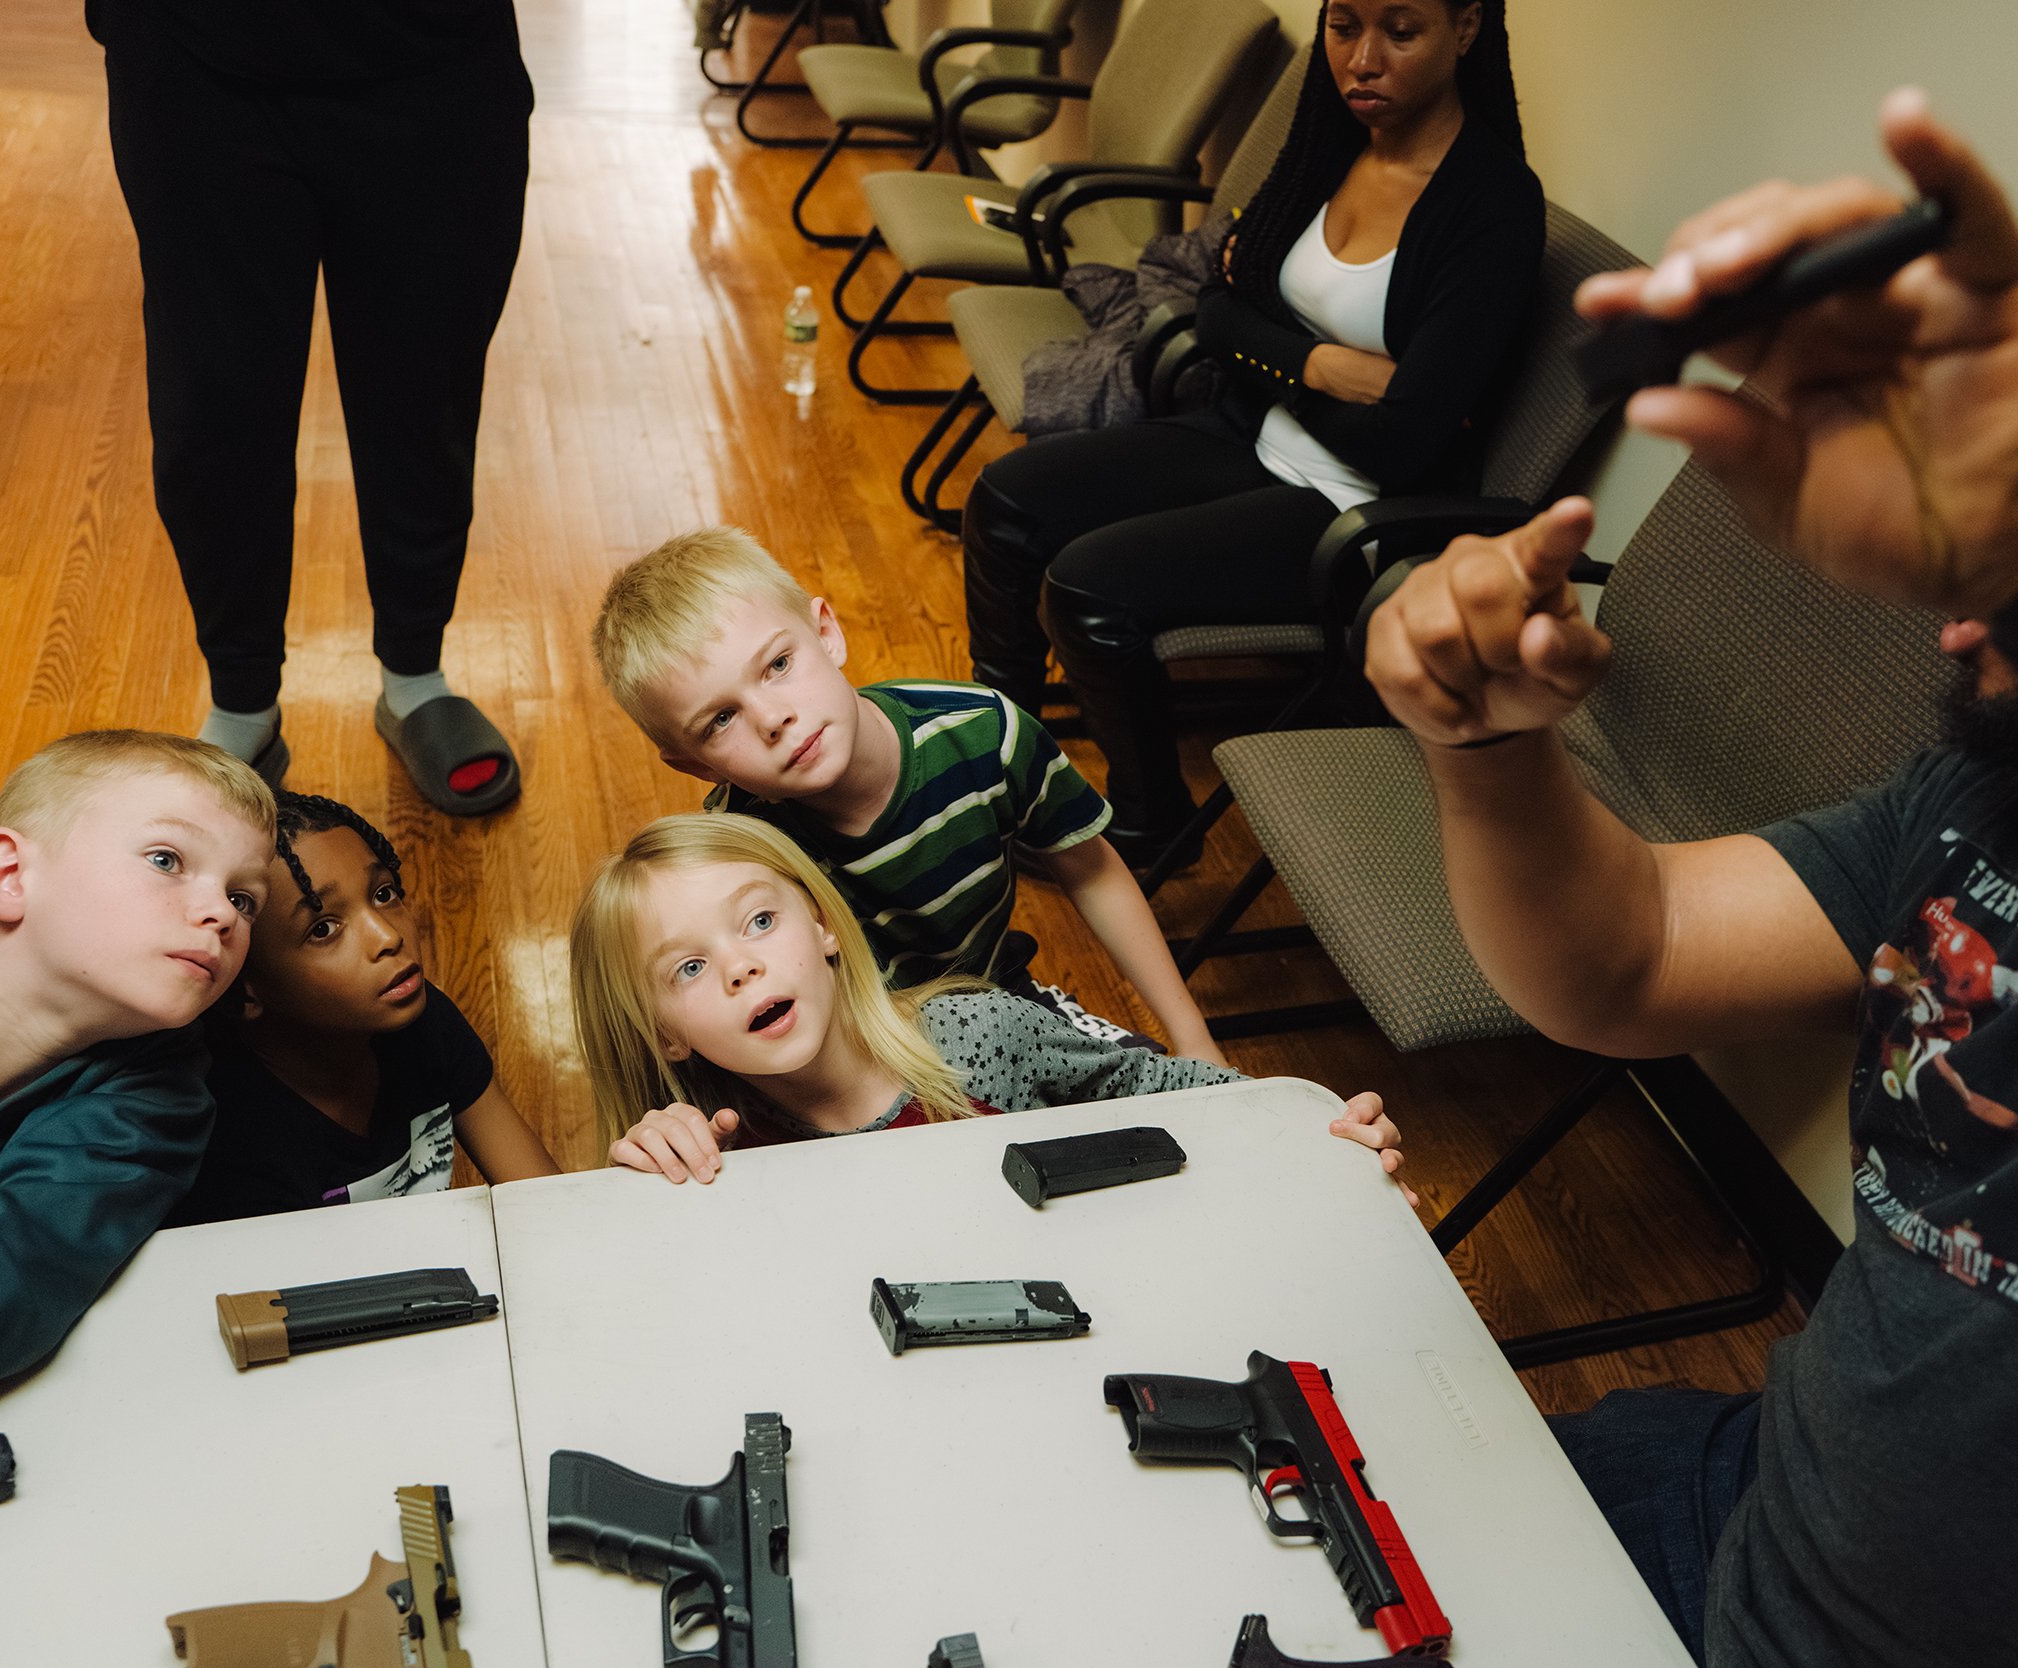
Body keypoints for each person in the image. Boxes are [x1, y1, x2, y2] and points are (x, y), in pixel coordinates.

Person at [1364, 97, 2018, 1663]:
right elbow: (1632, 958)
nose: (1964, 598)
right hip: (1749, 1511)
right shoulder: (2011, 783)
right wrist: (1487, 748)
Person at [958, 0, 1544, 861]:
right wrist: (1320, 366)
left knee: (1088, 589)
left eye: (1401, 31)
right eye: (1344, 26)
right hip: (1251, 432)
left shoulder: (1491, 204)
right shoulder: (1330, 141)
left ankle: (1150, 824)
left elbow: (1403, 442)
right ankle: (998, 754)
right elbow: (1218, 310)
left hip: (1354, 508)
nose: (1362, 61)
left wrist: (1269, 352)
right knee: (1006, 501)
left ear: (1465, 30)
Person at [87, 0, 532, 816]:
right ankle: (243, 706)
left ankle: (414, 678)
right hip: (196, 67)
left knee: (424, 395)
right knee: (213, 412)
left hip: (437, 64)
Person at [590, 527, 1225, 1063]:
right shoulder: (740, 851)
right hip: (853, 1056)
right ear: (694, 766)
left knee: (1161, 1098)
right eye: (720, 719)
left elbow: (1090, 871)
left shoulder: (986, 736)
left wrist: (1193, 1035)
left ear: (827, 634)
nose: (772, 718)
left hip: (1001, 1004)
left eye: (777, 664)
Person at [569, 813, 1408, 1189]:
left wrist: (1320, 1142)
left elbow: (1183, 1099)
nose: (740, 968)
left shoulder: (972, 1034)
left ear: (825, 928)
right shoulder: (712, 1158)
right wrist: (650, 1183)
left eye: (758, 920)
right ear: (664, 1037)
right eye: (687, 969)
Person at [0, 731, 275, 1389]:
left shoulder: (159, 1100)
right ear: (10, 875)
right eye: (166, 859)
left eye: (244, 898)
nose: (221, 914)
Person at [167, 793, 557, 1225]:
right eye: (324, 929)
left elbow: (545, 1204)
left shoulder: (426, 1023)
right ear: (245, 989)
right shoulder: (224, 1140)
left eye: (383, 893)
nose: (387, 935)